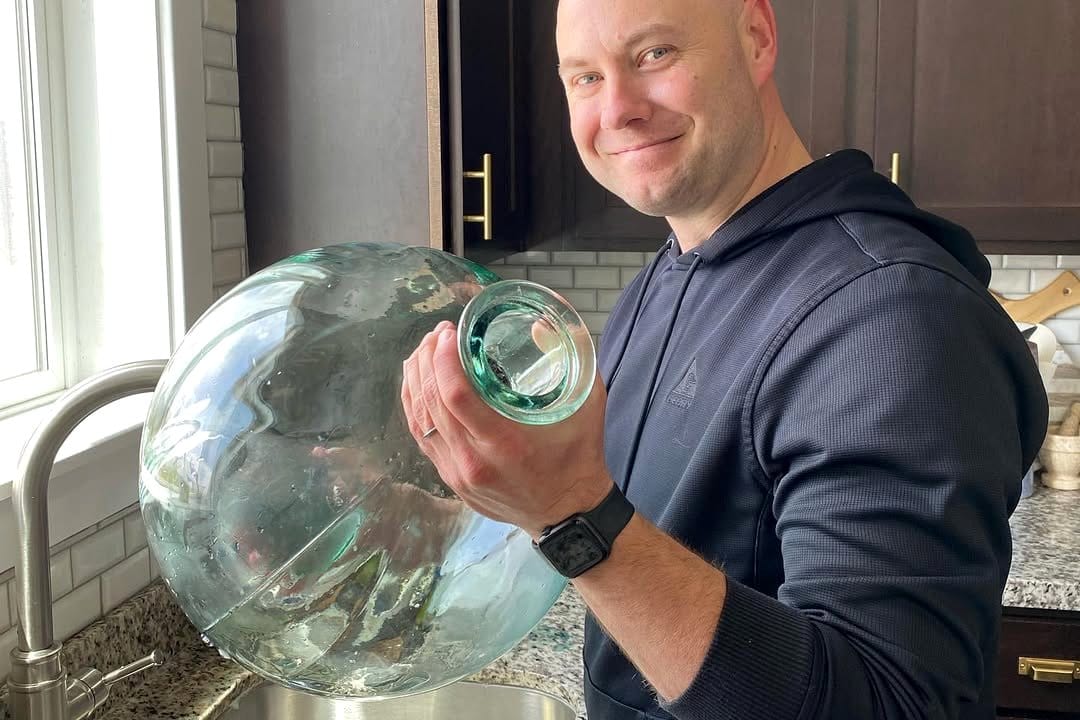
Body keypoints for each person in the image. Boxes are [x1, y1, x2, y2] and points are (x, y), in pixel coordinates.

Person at [400, 0, 1048, 718]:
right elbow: (640, 525)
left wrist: (568, 511)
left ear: (757, 37)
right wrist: (426, 519)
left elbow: (892, 703)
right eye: (584, 77)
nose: (617, 108)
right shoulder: (670, 276)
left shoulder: (894, 318)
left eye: (654, 55)